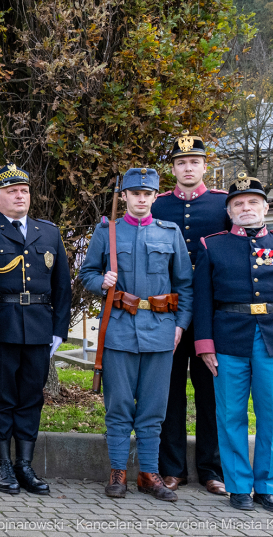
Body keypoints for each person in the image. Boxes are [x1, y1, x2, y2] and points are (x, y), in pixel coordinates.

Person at [193, 172, 273, 513]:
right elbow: (203, 300)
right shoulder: (211, 245)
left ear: (265, 208)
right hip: (228, 339)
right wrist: (204, 344)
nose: (246, 208)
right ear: (229, 211)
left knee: (271, 416)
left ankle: (268, 487)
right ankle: (239, 486)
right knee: (230, 415)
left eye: (252, 203)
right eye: (238, 203)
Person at [78, 167, 191, 502]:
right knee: (119, 405)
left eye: (148, 194)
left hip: (160, 330)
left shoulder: (170, 233)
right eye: (135, 193)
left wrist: (180, 326)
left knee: (154, 408)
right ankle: (117, 472)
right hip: (119, 328)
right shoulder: (107, 232)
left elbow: (184, 285)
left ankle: (148, 472)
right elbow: (86, 273)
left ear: (156, 197)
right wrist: (102, 283)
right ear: (124, 196)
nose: (141, 199)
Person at [0, 164, 70, 496]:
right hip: (0, 326)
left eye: (24, 190)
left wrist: (59, 330)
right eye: (12, 191)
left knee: (30, 398)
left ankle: (25, 464)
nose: (20, 195)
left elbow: (62, 286)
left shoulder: (48, 232)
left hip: (39, 327)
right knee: (3, 398)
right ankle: (4, 465)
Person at [151, 133, 228, 495]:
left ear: (204, 166)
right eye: (181, 162)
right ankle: (173, 468)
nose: (187, 167)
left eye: (194, 162)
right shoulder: (158, 206)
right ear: (173, 169)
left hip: (210, 313)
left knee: (210, 390)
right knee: (169, 391)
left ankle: (211, 469)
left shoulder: (224, 204)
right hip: (167, 311)